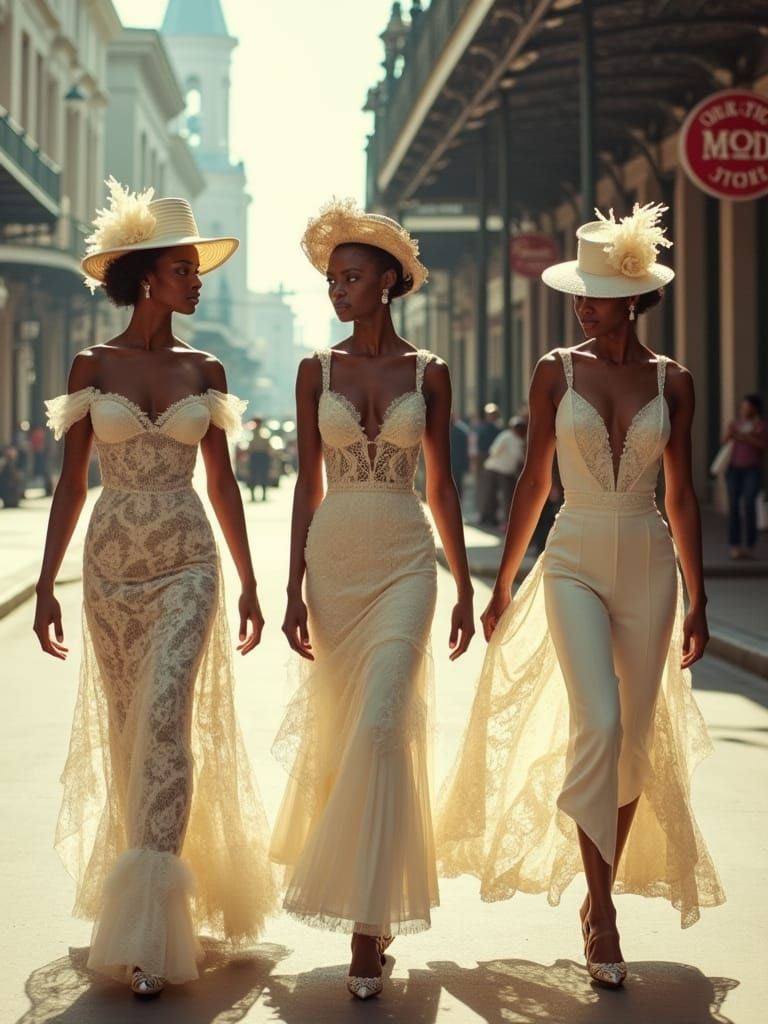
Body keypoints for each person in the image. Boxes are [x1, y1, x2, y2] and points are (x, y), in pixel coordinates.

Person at [437, 204, 724, 989]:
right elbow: (534, 480)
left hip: (648, 557)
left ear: (634, 298)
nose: (582, 303)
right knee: (596, 718)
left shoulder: (676, 381)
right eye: (580, 290)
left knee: (631, 734)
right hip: (570, 557)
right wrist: (503, 585)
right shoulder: (553, 369)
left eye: (598, 292)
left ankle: (600, 899)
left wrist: (699, 600)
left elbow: (685, 494)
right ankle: (604, 909)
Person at [34, 180, 275, 998]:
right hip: (108, 564)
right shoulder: (90, 365)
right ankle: (139, 907)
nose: (199, 278)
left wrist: (248, 582)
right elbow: (71, 486)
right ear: (144, 277)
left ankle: (147, 933)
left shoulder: (206, 367)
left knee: (168, 714)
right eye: (184, 267)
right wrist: (44, 586)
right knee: (129, 729)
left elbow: (226, 483)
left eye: (197, 267)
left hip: (187, 557)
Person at [272, 198, 474, 1000]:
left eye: (352, 278)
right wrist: (289, 583)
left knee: (386, 719)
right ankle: (371, 902)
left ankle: (365, 926)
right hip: (334, 563)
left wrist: (462, 583)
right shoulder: (313, 370)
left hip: (403, 558)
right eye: (332, 280)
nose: (338, 291)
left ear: (389, 282)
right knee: (346, 728)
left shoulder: (430, 373)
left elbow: (444, 482)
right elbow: (302, 482)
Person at [723, 393, 766, 559]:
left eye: (748, 407)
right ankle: (735, 546)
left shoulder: (760, 426)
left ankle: (749, 545)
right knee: (733, 507)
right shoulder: (735, 424)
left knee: (749, 504)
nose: (744, 410)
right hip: (734, 470)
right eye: (743, 407)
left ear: (755, 409)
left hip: (752, 470)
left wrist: (745, 437)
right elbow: (724, 441)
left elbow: (763, 445)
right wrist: (731, 433)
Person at [484, 415, 526, 525]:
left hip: (509, 472)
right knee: (491, 494)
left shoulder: (522, 440)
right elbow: (493, 450)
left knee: (507, 497)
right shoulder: (506, 437)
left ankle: (506, 520)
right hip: (496, 469)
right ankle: (489, 517)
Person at [475, 402, 503, 525]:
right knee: (484, 489)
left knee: (493, 490)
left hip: (495, 461)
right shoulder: (481, 429)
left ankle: (491, 515)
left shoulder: (498, 430)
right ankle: (484, 515)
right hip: (483, 460)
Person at [247, 417, 272, 502]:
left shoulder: (264, 432)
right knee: (253, 476)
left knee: (263, 476)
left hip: (262, 455)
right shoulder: (251, 432)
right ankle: (253, 496)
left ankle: (264, 495)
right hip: (255, 455)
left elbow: (268, 445)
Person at [450, 412, 470, 501]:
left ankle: (457, 501)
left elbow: (465, 450)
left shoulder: (461, 432)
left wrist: (465, 464)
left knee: (457, 484)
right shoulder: (440, 431)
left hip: (457, 463)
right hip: (447, 462)